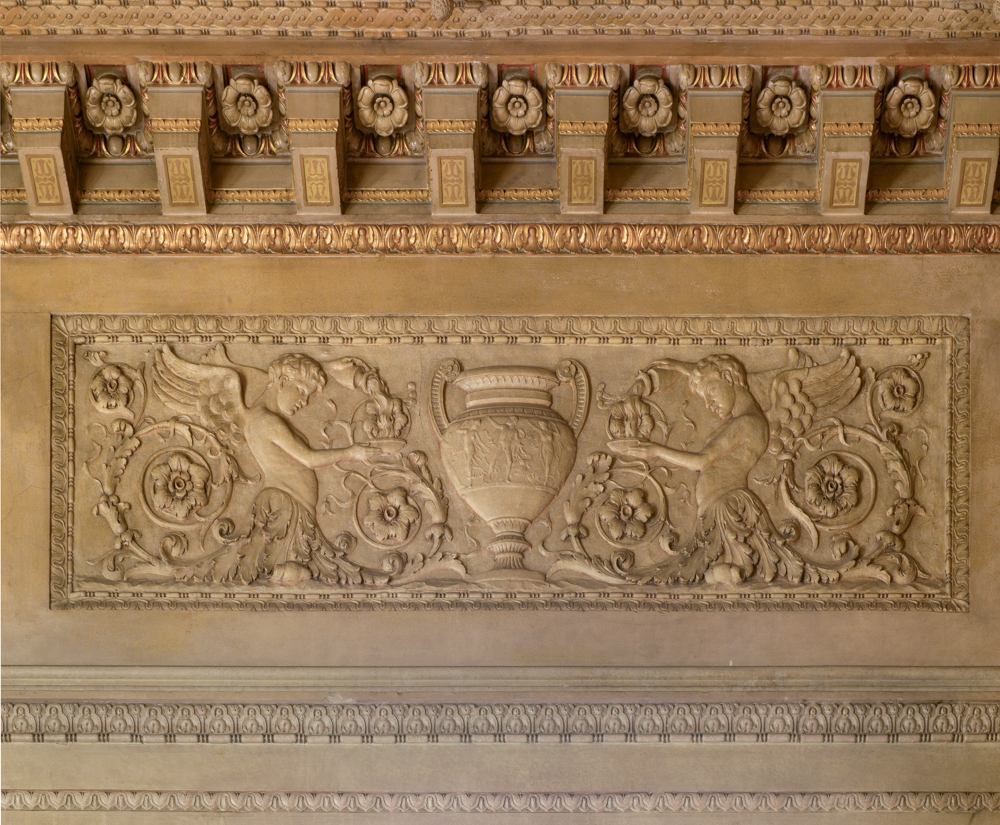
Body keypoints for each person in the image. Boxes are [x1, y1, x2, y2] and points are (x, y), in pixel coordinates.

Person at [611, 355, 803, 584]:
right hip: (715, 508)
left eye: (710, 393)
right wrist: (683, 366)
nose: (709, 404)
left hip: (726, 509)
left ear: (729, 378)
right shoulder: (745, 417)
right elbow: (718, 374)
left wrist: (653, 450)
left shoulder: (747, 423)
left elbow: (702, 461)